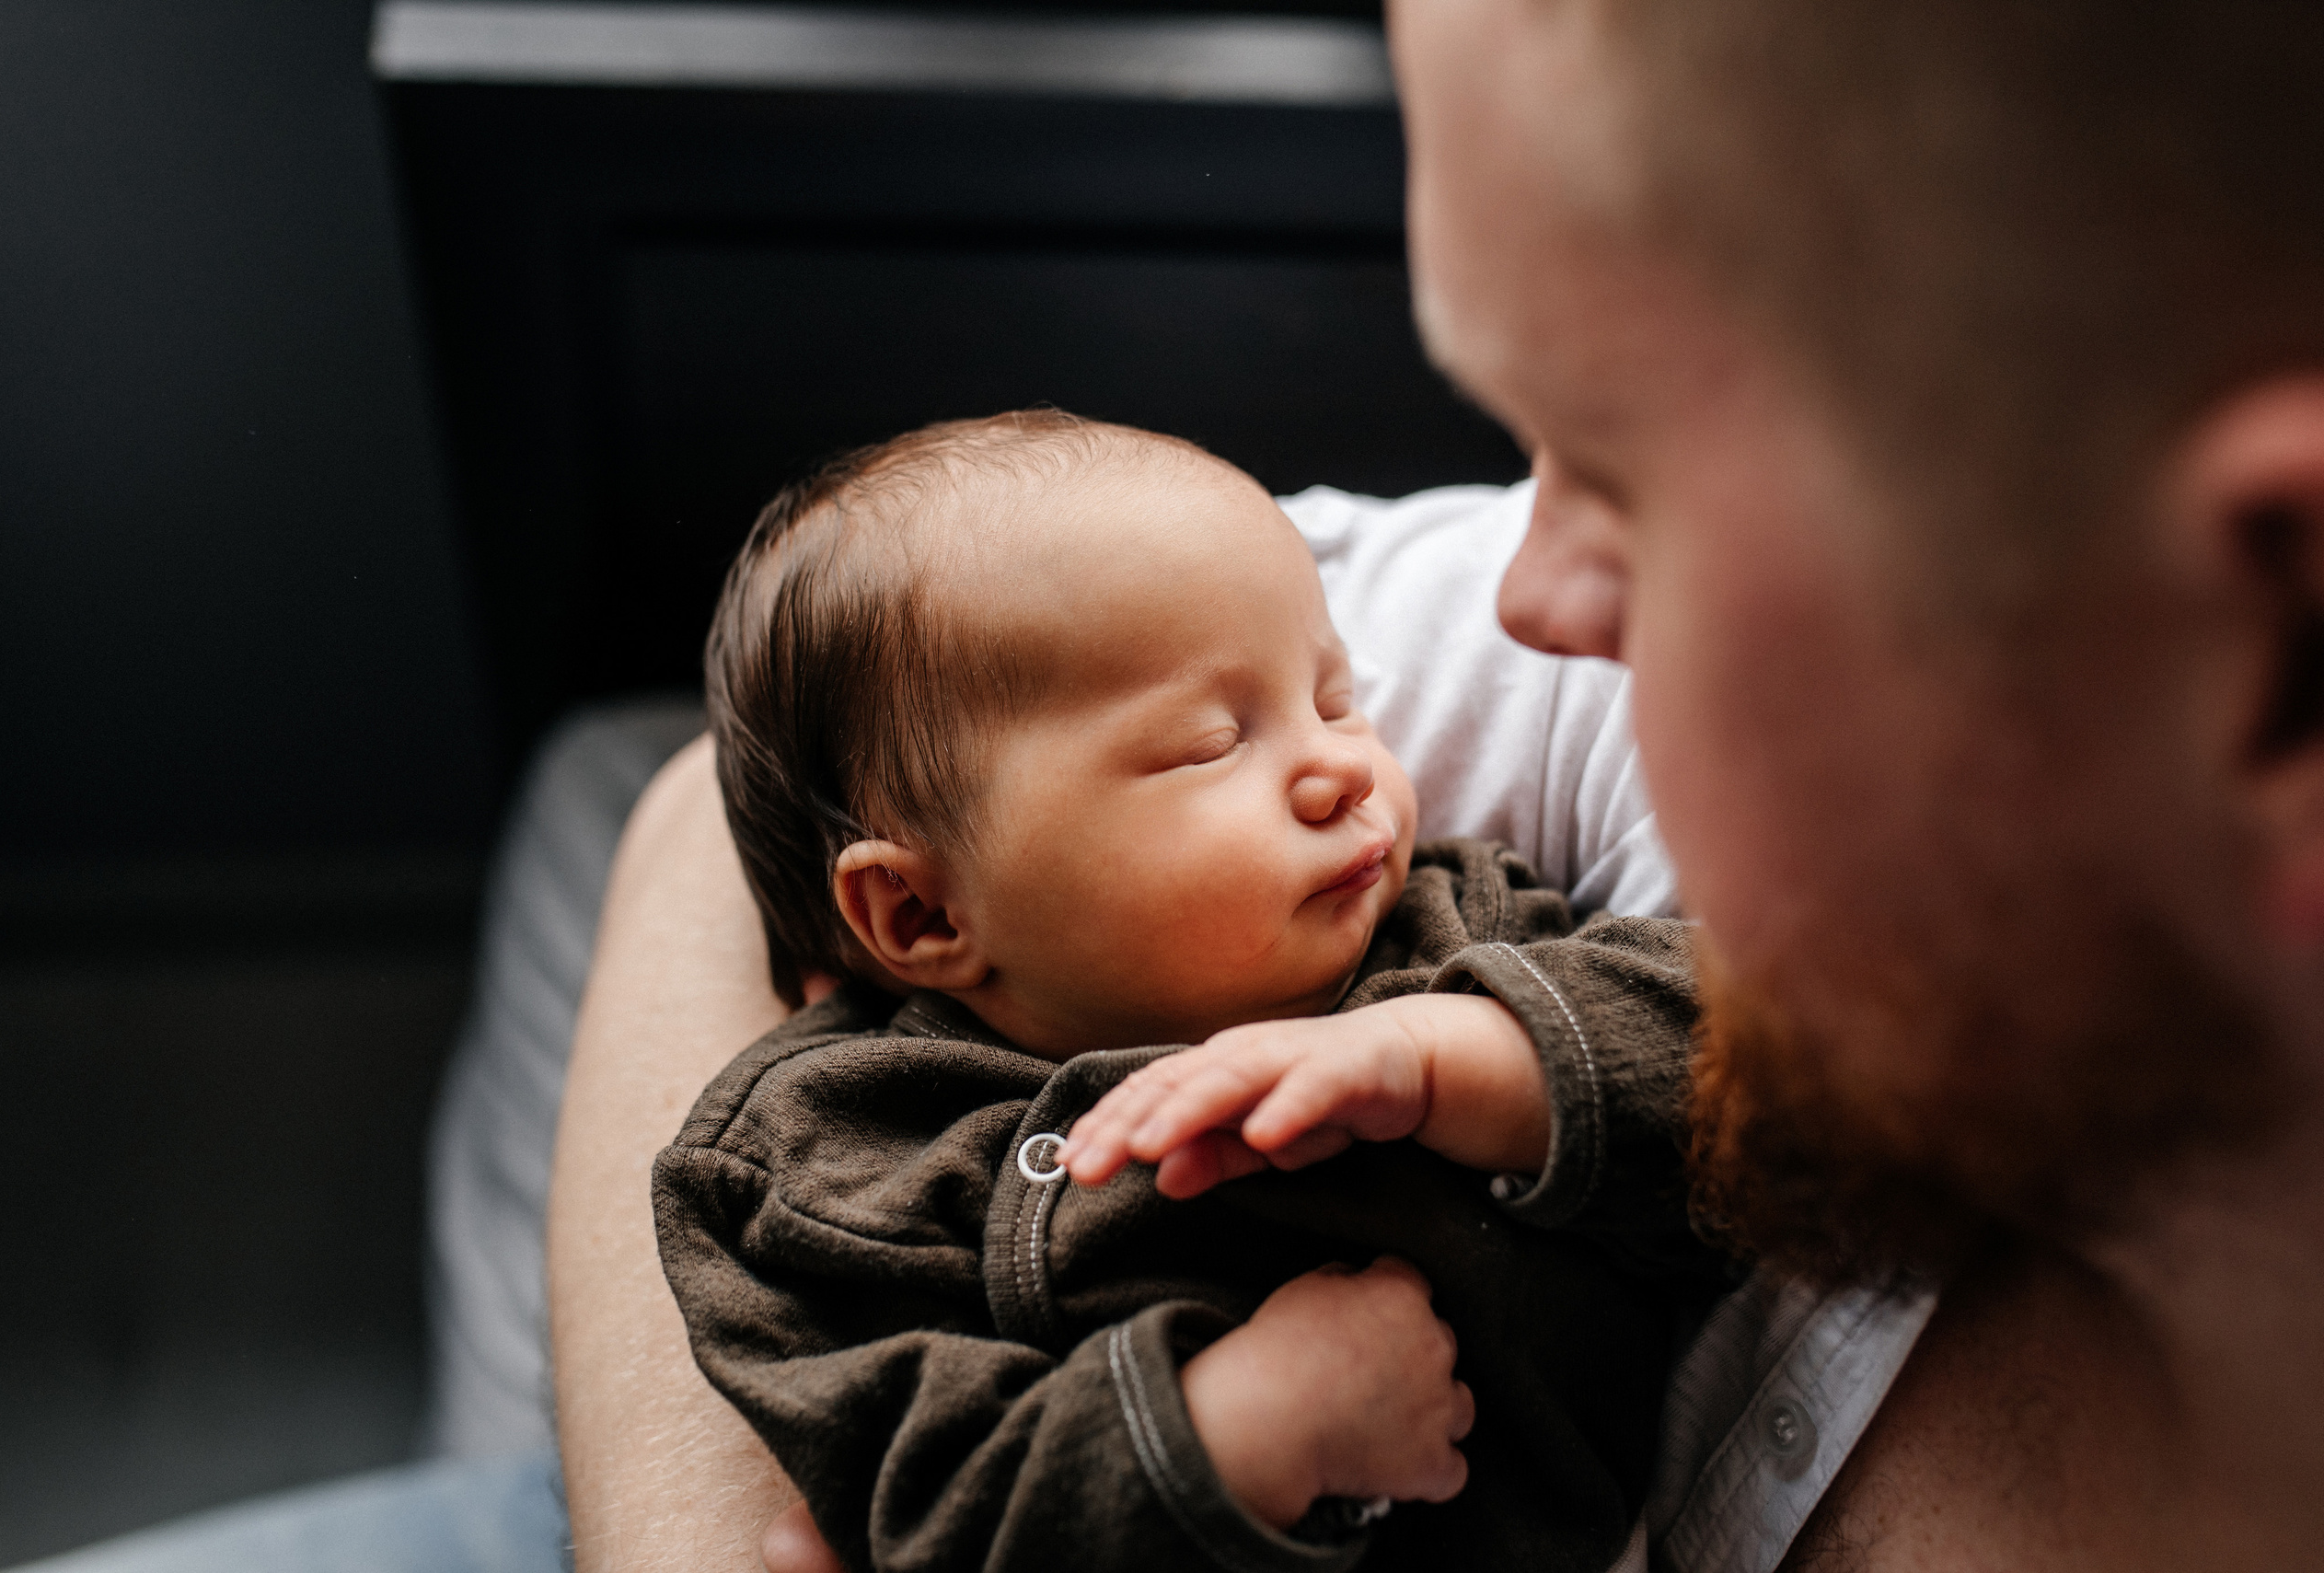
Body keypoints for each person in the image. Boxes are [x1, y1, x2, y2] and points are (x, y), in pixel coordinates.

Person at [561, 3, 2324, 1572]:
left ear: (2275, 649)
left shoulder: (1460, 915)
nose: (1525, 594)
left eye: (1618, 472)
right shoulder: (843, 1127)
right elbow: (742, 787)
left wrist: (1479, 1064)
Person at [654, 412, 1716, 1573]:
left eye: (1336, 698)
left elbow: (1741, 1061)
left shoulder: (1453, 925)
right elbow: (910, 1506)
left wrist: (1449, 1056)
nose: (1342, 767)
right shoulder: (833, 1156)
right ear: (924, 914)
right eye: (1210, 743)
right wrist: (1234, 1433)